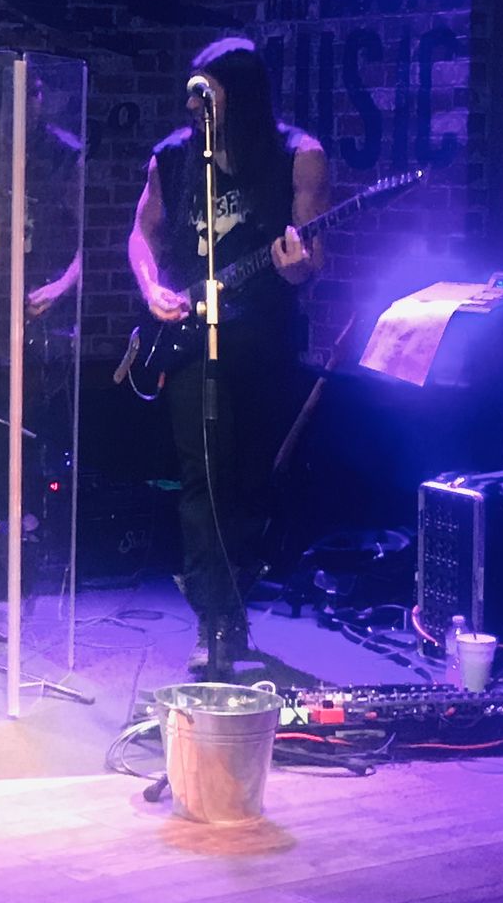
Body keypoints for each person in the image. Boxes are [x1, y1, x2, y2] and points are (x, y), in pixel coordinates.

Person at [126, 36, 327, 677]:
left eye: (207, 94)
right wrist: (151, 287)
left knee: (249, 479)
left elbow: (310, 263)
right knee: (201, 476)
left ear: (238, 94)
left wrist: (297, 268)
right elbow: (142, 233)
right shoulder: (173, 157)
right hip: (190, 338)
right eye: (193, 94)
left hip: (263, 339)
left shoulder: (297, 156)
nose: (194, 107)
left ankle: (231, 597)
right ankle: (214, 618)